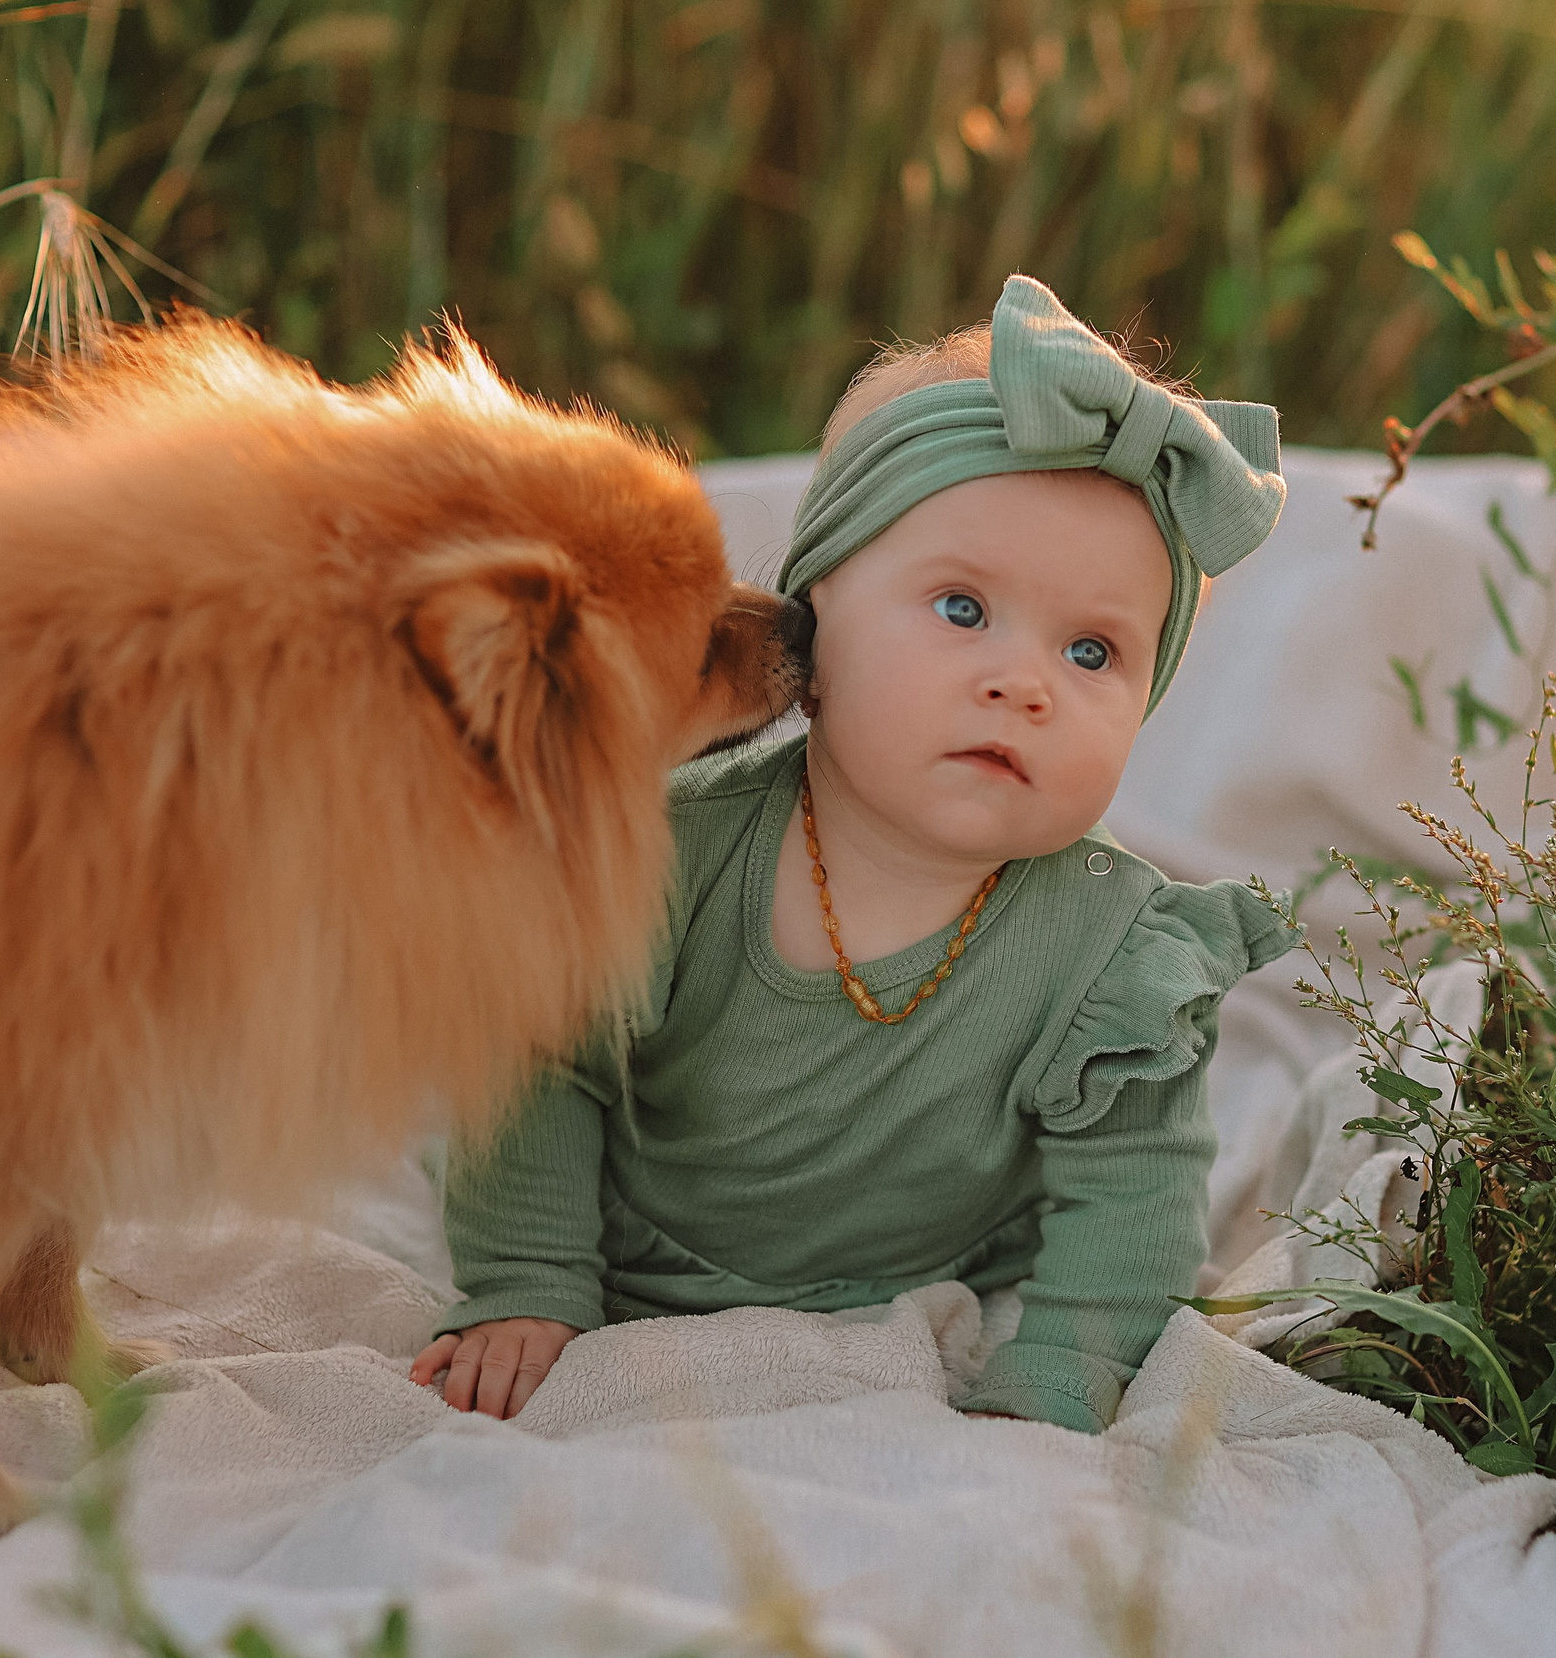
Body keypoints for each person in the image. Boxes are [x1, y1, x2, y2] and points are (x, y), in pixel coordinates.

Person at [407, 275, 1298, 1433]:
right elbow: (537, 1068)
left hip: (932, 1270)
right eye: (962, 609)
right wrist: (526, 1282)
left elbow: (1133, 1199)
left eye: (1092, 653)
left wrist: (1061, 1380)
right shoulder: (672, 848)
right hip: (630, 1243)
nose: (1022, 683)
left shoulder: (1116, 950)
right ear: (812, 620)